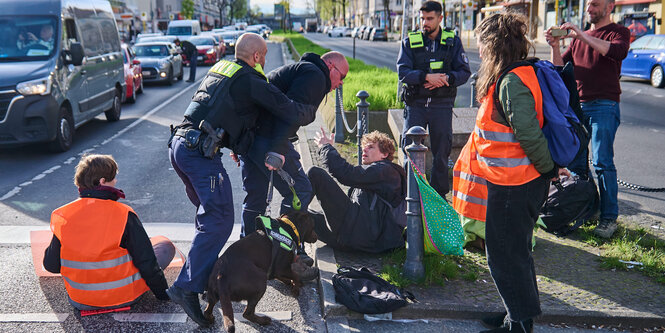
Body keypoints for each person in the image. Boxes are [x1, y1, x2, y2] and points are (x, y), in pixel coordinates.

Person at [167, 33, 318, 327]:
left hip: (180, 146)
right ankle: (186, 287)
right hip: (199, 154)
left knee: (207, 218)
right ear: (258, 57)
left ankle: (204, 282)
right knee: (220, 219)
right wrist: (309, 111)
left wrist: (237, 147)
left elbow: (224, 111)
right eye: (264, 58)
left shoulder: (222, 68)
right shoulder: (251, 79)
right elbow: (285, 107)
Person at [472, 13, 569, 333]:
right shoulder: (514, 74)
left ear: (493, 45)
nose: (479, 51)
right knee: (517, 252)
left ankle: (520, 325)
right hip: (514, 182)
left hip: (517, 184)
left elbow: (528, 133)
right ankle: (517, 314)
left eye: (482, 44)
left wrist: (549, 169)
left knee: (502, 257)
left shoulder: (511, 81)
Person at [236, 51, 348, 269]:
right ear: (330, 65)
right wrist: (278, 149)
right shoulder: (316, 75)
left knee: (255, 197)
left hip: (251, 138)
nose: (341, 82)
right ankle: (287, 251)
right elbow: (290, 112)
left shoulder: (302, 70)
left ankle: (247, 254)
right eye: (342, 75)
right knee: (300, 190)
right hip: (269, 139)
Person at [43, 154, 174, 310]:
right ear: (102, 182)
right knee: (164, 245)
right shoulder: (123, 214)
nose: (116, 182)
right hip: (123, 296)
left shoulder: (64, 215)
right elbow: (147, 262)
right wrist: (163, 294)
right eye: (113, 178)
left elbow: (51, 265)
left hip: (80, 300)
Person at [546, 0, 630, 238]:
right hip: (579, 107)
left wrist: (581, 35)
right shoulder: (580, 39)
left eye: (594, 4)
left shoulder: (618, 32)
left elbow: (615, 51)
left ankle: (608, 218)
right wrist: (554, 46)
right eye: (588, 6)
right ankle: (588, 208)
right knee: (576, 163)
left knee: (602, 162)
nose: (590, 9)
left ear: (609, 6)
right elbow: (559, 69)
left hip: (604, 104)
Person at [396, 0, 471, 199]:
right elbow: (402, 72)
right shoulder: (410, 42)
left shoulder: (452, 42)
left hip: (441, 105)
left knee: (442, 153)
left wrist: (446, 79)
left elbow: (464, 72)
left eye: (429, 19)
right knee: (409, 151)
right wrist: (426, 78)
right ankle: (410, 195)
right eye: (422, 19)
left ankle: (439, 197)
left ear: (440, 18)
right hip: (416, 105)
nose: (425, 23)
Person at [307, 129, 406, 253]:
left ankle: (287, 232)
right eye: (364, 147)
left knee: (315, 174)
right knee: (303, 216)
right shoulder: (376, 173)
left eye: (370, 147)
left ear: (384, 154)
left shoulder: (385, 171)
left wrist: (325, 147)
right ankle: (287, 240)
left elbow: (346, 174)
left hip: (361, 235)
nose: (364, 150)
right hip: (356, 237)